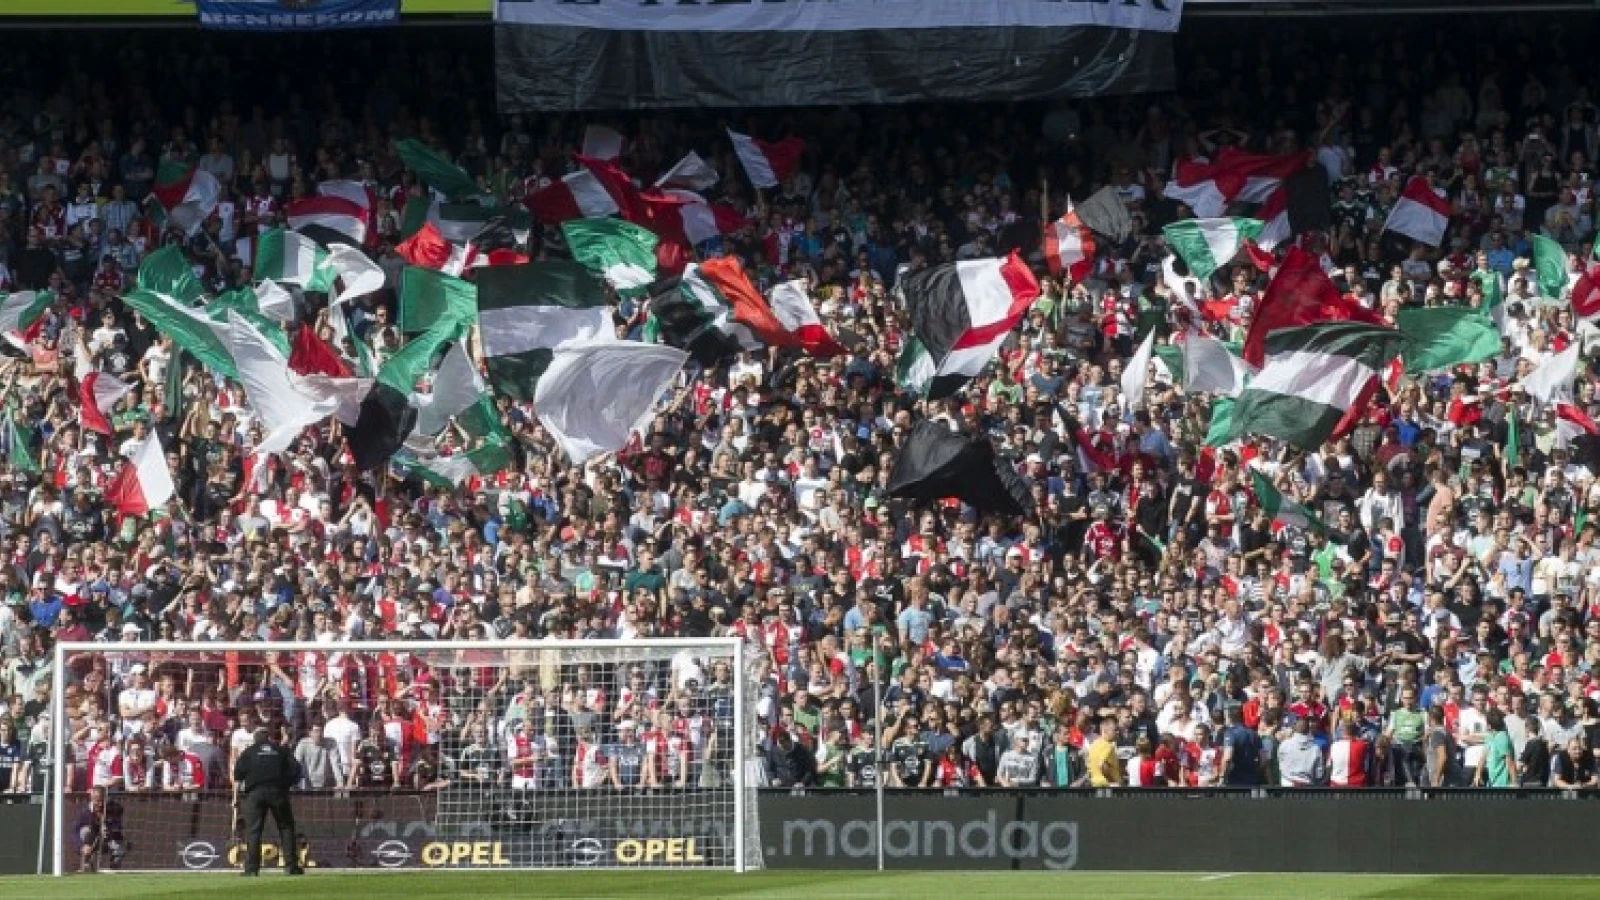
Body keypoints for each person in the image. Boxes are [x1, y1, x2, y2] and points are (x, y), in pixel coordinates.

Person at [232, 727, 303, 876]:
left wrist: (237, 797)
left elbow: (237, 775)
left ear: (255, 739)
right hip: (278, 792)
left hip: (255, 793)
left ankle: (252, 868)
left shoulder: (248, 752)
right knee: (286, 827)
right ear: (269, 738)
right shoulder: (280, 750)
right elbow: (296, 769)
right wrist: (286, 784)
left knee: (253, 830)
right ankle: (291, 866)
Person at [1475, 710, 1517, 789]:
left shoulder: (1502, 737)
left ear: (1489, 725)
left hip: (1503, 783)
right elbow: (1483, 757)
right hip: (1492, 782)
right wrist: (1477, 774)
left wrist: (1514, 782)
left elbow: (1509, 761)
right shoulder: (1490, 737)